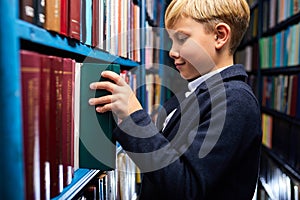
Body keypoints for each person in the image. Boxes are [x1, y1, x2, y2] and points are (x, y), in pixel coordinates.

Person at [88, 0, 262, 199]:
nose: (172, 52)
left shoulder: (236, 101)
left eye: (182, 38)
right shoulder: (197, 93)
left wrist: (133, 116)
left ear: (220, 36)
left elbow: (185, 188)